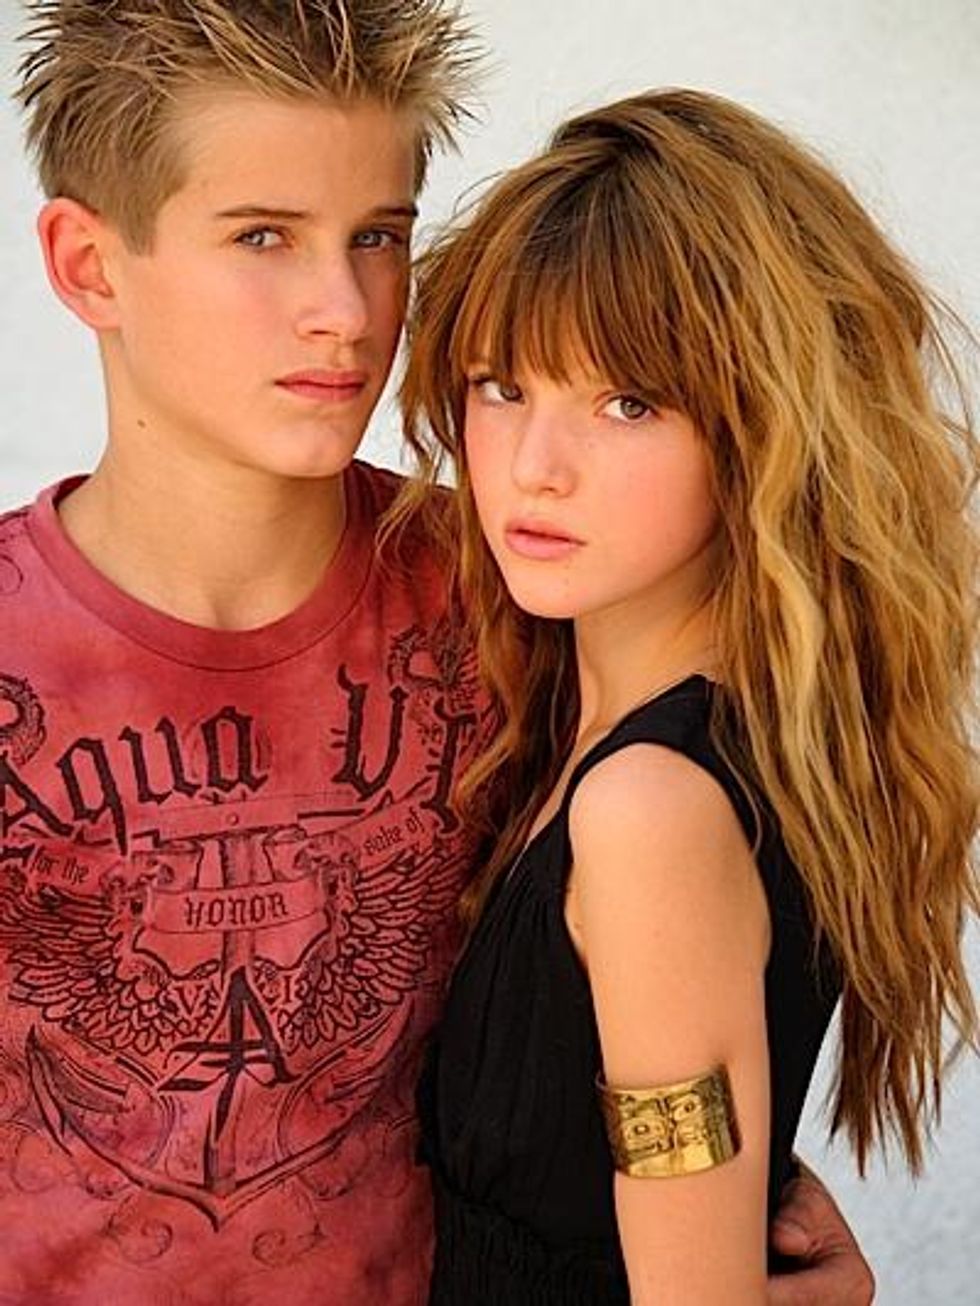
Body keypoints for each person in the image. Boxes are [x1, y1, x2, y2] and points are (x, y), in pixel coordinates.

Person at [0, 3, 871, 1300]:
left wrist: (725, 1229)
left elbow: (635, 987)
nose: (345, 312)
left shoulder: (517, 596)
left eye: (377, 237)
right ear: (89, 265)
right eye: (262, 237)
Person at [396, 88, 979, 1303]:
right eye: (501, 384)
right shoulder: (607, 738)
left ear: (760, 430)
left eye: (626, 403)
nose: (535, 467)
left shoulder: (648, 809)